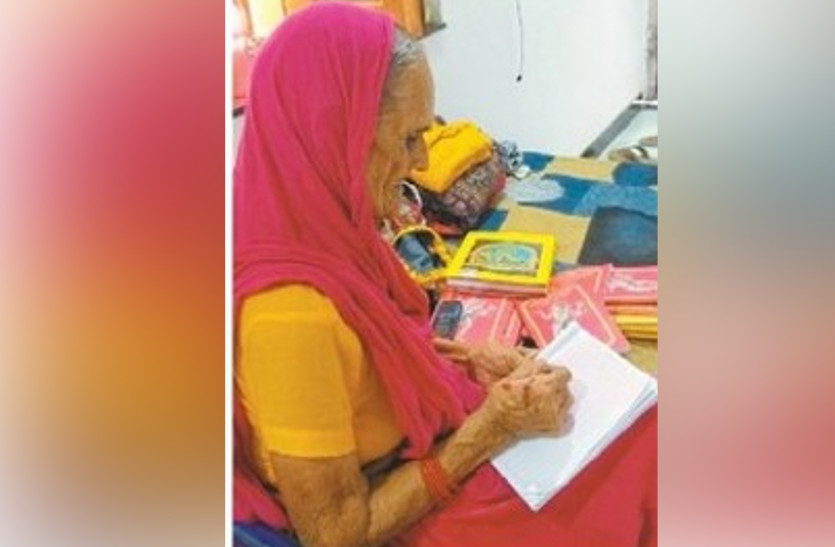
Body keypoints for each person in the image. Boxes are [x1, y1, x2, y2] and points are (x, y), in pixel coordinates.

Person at [233, 3, 657, 547]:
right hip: (399, 508)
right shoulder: (288, 316)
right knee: (638, 461)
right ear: (333, 133)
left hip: (420, 456)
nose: (420, 161)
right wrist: (490, 430)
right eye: (408, 139)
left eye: (426, 134)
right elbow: (336, 533)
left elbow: (368, 357)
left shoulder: (325, 227)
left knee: (641, 428)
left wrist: (468, 359)